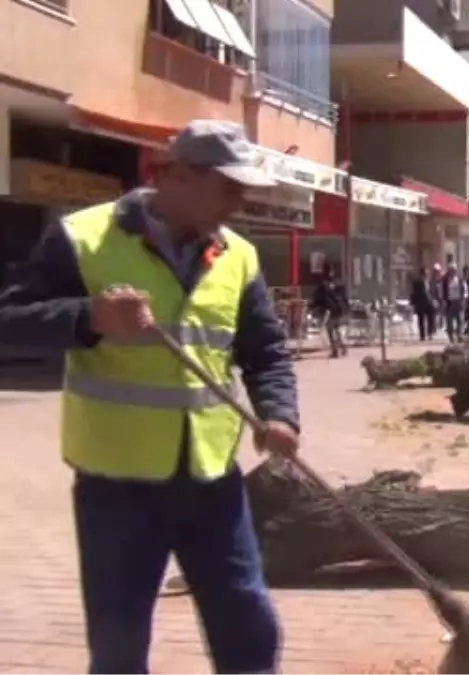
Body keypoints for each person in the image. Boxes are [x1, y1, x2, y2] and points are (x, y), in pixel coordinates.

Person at [0, 119, 299, 674]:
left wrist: (279, 414)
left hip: (212, 482)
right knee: (119, 645)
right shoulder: (81, 238)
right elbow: (10, 321)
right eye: (228, 186)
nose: (239, 201)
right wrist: (89, 317)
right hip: (117, 486)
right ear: (178, 175)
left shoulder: (238, 256)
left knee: (250, 628)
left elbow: (266, 353)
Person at [311, 266, 349, 358]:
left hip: (330, 310)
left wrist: (314, 306)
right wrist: (346, 308)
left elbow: (317, 298)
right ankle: (343, 345)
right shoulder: (340, 284)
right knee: (338, 328)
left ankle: (335, 350)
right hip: (339, 309)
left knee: (331, 330)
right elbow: (344, 297)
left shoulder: (323, 285)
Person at [442, 264, 467, 342]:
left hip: (458, 302)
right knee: (449, 321)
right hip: (449, 302)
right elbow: (442, 292)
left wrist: (463, 300)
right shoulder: (445, 281)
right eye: (451, 270)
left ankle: (460, 335)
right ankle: (451, 337)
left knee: (460, 320)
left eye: (454, 270)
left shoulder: (460, 280)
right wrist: (444, 301)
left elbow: (465, 291)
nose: (452, 272)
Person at [409, 266, 435, 341]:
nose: (425, 275)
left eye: (427, 274)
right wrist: (413, 303)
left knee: (431, 319)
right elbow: (414, 293)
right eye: (424, 274)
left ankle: (430, 333)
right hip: (420, 304)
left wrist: (435, 300)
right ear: (421, 274)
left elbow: (433, 292)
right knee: (421, 320)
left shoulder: (430, 282)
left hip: (430, 303)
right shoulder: (416, 283)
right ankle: (422, 335)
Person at [429, 263, 445, 334]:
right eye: (435, 271)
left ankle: (440, 325)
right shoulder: (432, 281)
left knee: (441, 313)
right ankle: (434, 328)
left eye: (437, 271)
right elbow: (430, 290)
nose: (436, 272)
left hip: (441, 298)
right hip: (434, 299)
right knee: (434, 314)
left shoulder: (442, 280)